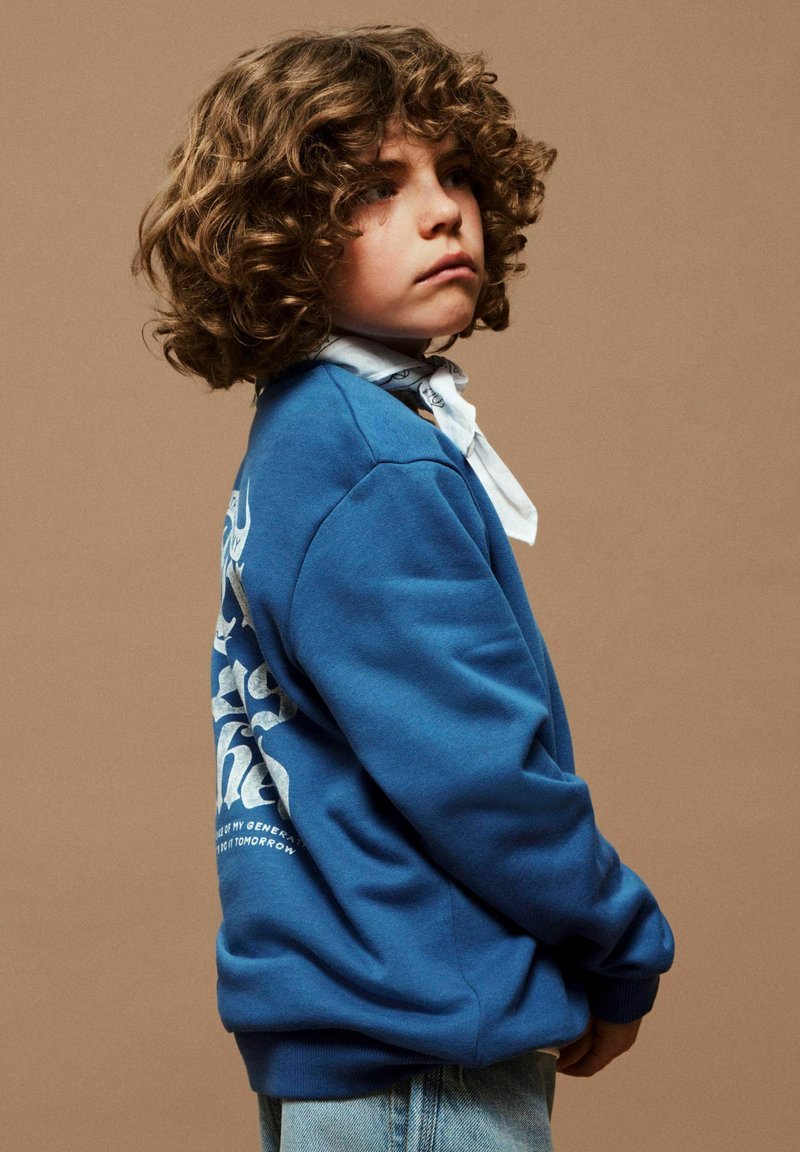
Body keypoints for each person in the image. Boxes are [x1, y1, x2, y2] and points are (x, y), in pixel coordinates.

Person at [131, 24, 675, 1151]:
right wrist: (623, 944)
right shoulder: (373, 461)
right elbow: (481, 774)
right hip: (423, 1046)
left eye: (455, 174)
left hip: (355, 1024)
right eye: (377, 187)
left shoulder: (311, 434)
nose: (442, 212)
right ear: (281, 230)